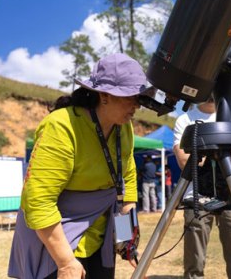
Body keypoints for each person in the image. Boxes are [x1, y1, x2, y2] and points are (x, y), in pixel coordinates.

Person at [8, 53, 148, 279]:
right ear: (104, 95)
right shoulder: (62, 126)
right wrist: (65, 262)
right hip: (56, 240)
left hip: (99, 239)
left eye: (138, 97)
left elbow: (126, 183)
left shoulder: (124, 127)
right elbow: (38, 200)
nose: (136, 105)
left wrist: (125, 238)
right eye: (129, 97)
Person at [173, 99, 231, 279]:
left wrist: (203, 155)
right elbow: (184, 161)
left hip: (230, 193)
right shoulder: (184, 119)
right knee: (194, 257)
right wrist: (223, 156)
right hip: (196, 194)